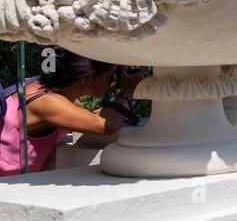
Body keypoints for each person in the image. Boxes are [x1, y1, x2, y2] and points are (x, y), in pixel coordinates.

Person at [0, 55, 145, 177]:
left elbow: (92, 116)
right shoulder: (45, 101)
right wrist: (127, 92)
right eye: (110, 75)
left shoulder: (58, 93)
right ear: (87, 78)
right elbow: (105, 125)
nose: (112, 81)